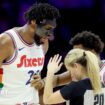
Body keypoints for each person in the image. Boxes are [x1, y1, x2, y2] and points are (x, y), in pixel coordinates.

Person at [0, 3, 60, 105]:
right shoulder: (6, 41)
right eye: (47, 28)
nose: (50, 35)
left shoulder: (43, 43)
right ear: (33, 22)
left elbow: (35, 80)